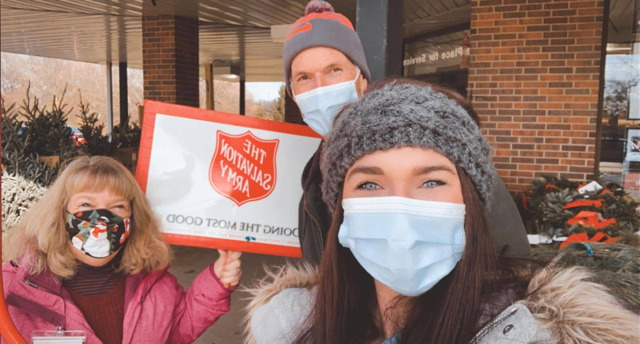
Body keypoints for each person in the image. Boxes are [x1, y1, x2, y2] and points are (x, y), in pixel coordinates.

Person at [246, 80, 639, 343]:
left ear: (470, 202)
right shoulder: (283, 326)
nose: (402, 208)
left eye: (431, 181)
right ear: (341, 213)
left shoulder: (538, 332)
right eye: (369, 183)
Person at [285, 0, 531, 265]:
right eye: (304, 78)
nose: (320, 88)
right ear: (294, 95)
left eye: (334, 70)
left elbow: (511, 256)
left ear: (361, 80)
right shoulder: (312, 183)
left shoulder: (434, 141)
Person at [2, 156, 242, 344]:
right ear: (60, 214)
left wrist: (216, 283)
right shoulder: (14, 290)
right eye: (86, 204)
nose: (102, 218)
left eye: (117, 206)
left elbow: (176, 331)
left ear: (133, 219)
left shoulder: (155, 287)